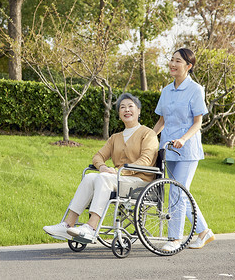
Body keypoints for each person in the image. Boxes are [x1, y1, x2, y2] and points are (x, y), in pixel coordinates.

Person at [43, 93, 159, 242]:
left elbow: (146, 160)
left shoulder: (148, 134)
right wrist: (103, 167)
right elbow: (98, 156)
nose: (127, 110)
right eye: (122, 107)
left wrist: (118, 171)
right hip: (117, 179)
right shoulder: (115, 137)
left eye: (131, 106)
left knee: (104, 178)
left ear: (139, 111)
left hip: (140, 182)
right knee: (91, 176)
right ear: (119, 114)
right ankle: (67, 224)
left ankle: (91, 228)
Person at [153, 48, 215, 251]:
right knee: (180, 191)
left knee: (177, 191)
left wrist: (183, 139)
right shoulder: (166, 90)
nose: (172, 64)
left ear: (188, 66)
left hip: (187, 150)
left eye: (177, 61)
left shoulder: (195, 90)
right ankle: (204, 232)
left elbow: (198, 123)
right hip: (168, 148)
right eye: (171, 60)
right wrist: (149, 139)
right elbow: (162, 120)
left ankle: (175, 239)